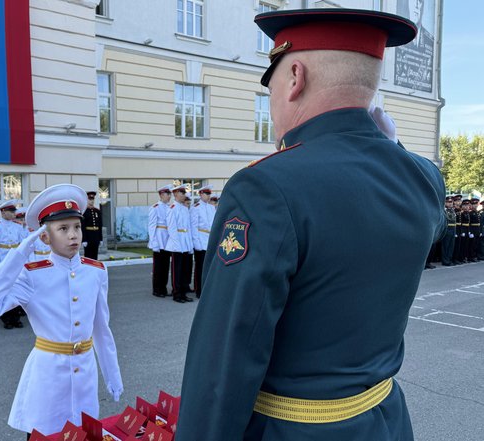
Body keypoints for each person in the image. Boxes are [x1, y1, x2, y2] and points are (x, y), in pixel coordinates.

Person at [176, 9, 445, 441]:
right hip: (386, 422)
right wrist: (390, 149)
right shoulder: (423, 177)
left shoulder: (265, 186)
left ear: (295, 77)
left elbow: (223, 361)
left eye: (273, 87)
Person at [0, 184, 123, 438]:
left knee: (83, 432)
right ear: (45, 237)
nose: (73, 235)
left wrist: (112, 375)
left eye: (76, 226)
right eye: (62, 229)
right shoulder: (32, 275)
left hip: (85, 373)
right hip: (48, 376)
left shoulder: (96, 271)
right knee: (44, 434)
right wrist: (19, 255)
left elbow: (101, 328)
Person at [0, 200, 26, 329]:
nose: (14, 214)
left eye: (14, 212)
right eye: (11, 212)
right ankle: (6, 318)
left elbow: (22, 245)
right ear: (3, 212)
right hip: (3, 261)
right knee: (5, 290)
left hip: (15, 261)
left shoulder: (18, 226)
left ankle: (16, 317)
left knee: (16, 289)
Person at [165, 184, 193, 303]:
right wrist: (177, 245)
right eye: (182, 193)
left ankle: (183, 292)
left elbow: (188, 227)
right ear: (176, 194)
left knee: (185, 269)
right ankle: (176, 293)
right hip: (177, 242)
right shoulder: (172, 208)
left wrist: (189, 244)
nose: (184, 195)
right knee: (177, 270)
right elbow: (171, 228)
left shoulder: (184, 208)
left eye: (184, 193)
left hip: (185, 240)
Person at [190, 185, 216, 299]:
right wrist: (197, 243)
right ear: (200, 194)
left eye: (209, 194)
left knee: (209, 267)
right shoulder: (196, 208)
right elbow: (194, 226)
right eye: (206, 193)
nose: (208, 196)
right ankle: (198, 289)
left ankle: (207, 289)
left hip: (209, 239)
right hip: (200, 238)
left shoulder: (211, 208)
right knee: (200, 267)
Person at [148, 185, 172, 298]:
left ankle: (164, 287)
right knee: (158, 267)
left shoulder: (169, 207)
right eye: (168, 194)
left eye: (170, 194)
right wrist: (153, 242)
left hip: (167, 239)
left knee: (166, 266)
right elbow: (152, 226)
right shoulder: (155, 207)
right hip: (159, 238)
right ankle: (157, 289)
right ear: (162, 195)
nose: (169, 196)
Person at [81, 191, 102, 260]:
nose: (91, 201)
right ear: (86, 200)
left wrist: (100, 238)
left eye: (92, 199)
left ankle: (95, 269)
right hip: (88, 236)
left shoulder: (97, 211)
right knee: (88, 255)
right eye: (90, 199)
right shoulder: (84, 212)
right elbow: (83, 227)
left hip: (96, 236)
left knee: (95, 254)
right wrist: (84, 239)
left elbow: (100, 225)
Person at [441, 196, 456, 266]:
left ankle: (449, 259)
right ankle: (445, 260)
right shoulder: (444, 211)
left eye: (451, 202)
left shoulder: (453, 210)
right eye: (448, 202)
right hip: (447, 229)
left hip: (453, 229)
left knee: (451, 246)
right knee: (445, 246)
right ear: (445, 203)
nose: (450, 204)